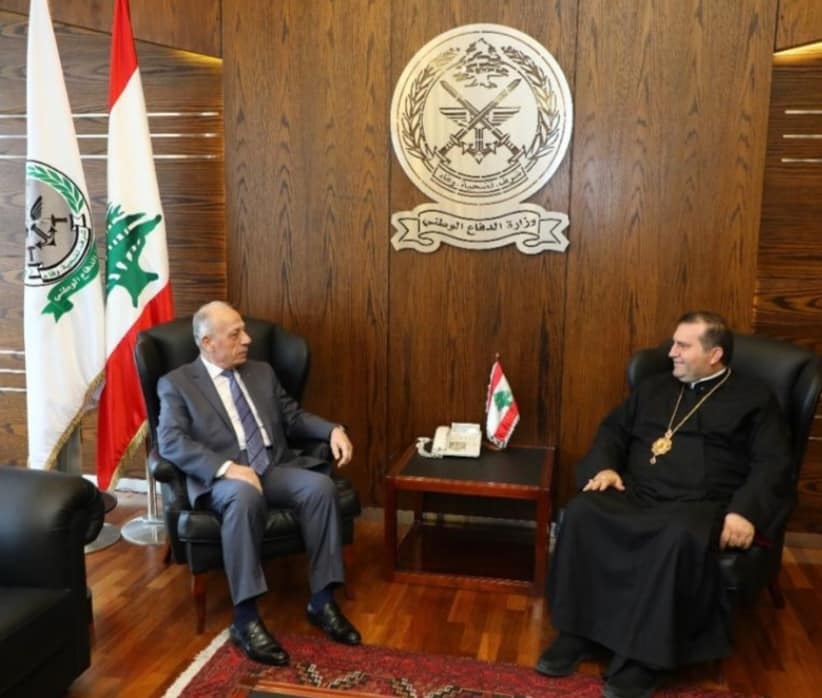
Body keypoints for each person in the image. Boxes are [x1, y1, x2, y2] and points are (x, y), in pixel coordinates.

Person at [536, 311, 793, 698]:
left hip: (699, 504)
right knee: (583, 513)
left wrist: (744, 511)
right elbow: (612, 431)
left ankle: (646, 659)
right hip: (637, 492)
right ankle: (577, 632)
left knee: (675, 537)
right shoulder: (654, 388)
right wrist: (606, 468)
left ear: (714, 355)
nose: (670, 352)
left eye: (682, 346)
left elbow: (773, 463)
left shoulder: (755, 399)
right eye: (673, 343)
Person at [157, 301, 361, 666]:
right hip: (224, 477)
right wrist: (226, 468)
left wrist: (332, 429)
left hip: (272, 465)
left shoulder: (261, 372)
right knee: (245, 496)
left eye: (244, 331)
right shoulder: (177, 383)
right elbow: (171, 441)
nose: (248, 340)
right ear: (208, 342)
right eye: (236, 334)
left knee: (320, 488)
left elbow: (293, 417)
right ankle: (245, 619)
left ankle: (322, 601)